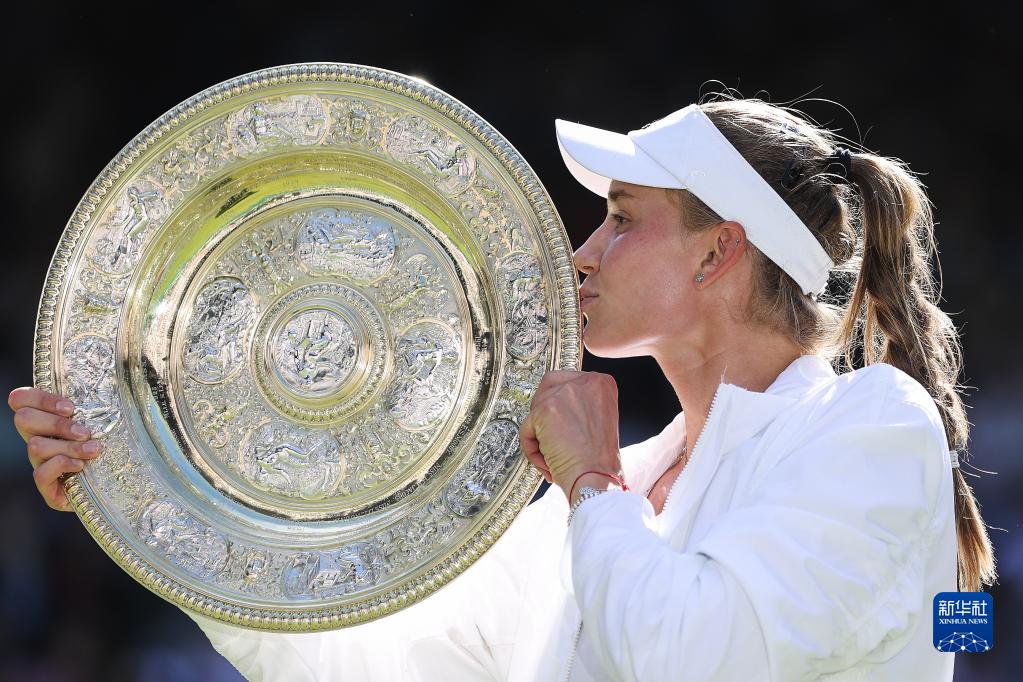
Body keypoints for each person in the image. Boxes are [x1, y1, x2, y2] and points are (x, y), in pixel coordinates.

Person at [9, 95, 998, 681]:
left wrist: (591, 483)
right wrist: (154, 503)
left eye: (621, 219)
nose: (582, 253)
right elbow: (364, 668)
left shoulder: (868, 423)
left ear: (716, 254)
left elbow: (697, 655)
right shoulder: (606, 491)